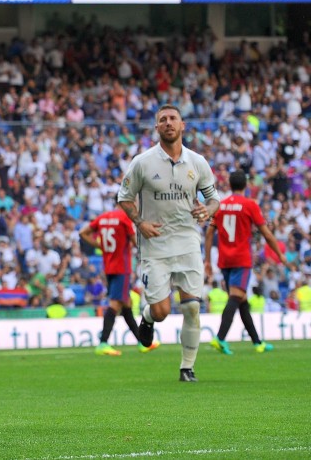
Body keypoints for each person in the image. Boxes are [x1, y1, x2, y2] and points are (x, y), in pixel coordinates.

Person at [117, 105, 220, 382]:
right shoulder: (142, 162)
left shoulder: (197, 162)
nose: (168, 123)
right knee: (162, 311)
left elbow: (214, 199)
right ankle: (149, 318)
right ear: (157, 128)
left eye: (173, 118)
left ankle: (187, 367)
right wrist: (140, 223)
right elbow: (124, 198)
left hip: (187, 241)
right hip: (155, 244)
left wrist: (208, 211)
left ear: (182, 125)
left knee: (192, 307)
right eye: (162, 120)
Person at [204, 170, 287, 355]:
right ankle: (220, 337)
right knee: (235, 298)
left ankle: (257, 342)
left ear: (231, 185)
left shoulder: (221, 205)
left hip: (224, 260)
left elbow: (209, 233)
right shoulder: (250, 205)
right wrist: (280, 255)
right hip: (241, 259)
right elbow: (265, 233)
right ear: (246, 185)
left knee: (242, 301)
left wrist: (208, 260)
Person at [80, 207, 157, 356]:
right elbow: (136, 242)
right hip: (122, 267)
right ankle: (103, 343)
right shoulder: (124, 218)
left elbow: (83, 232)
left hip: (108, 266)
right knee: (115, 303)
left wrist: (100, 246)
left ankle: (141, 342)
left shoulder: (102, 218)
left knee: (126, 303)